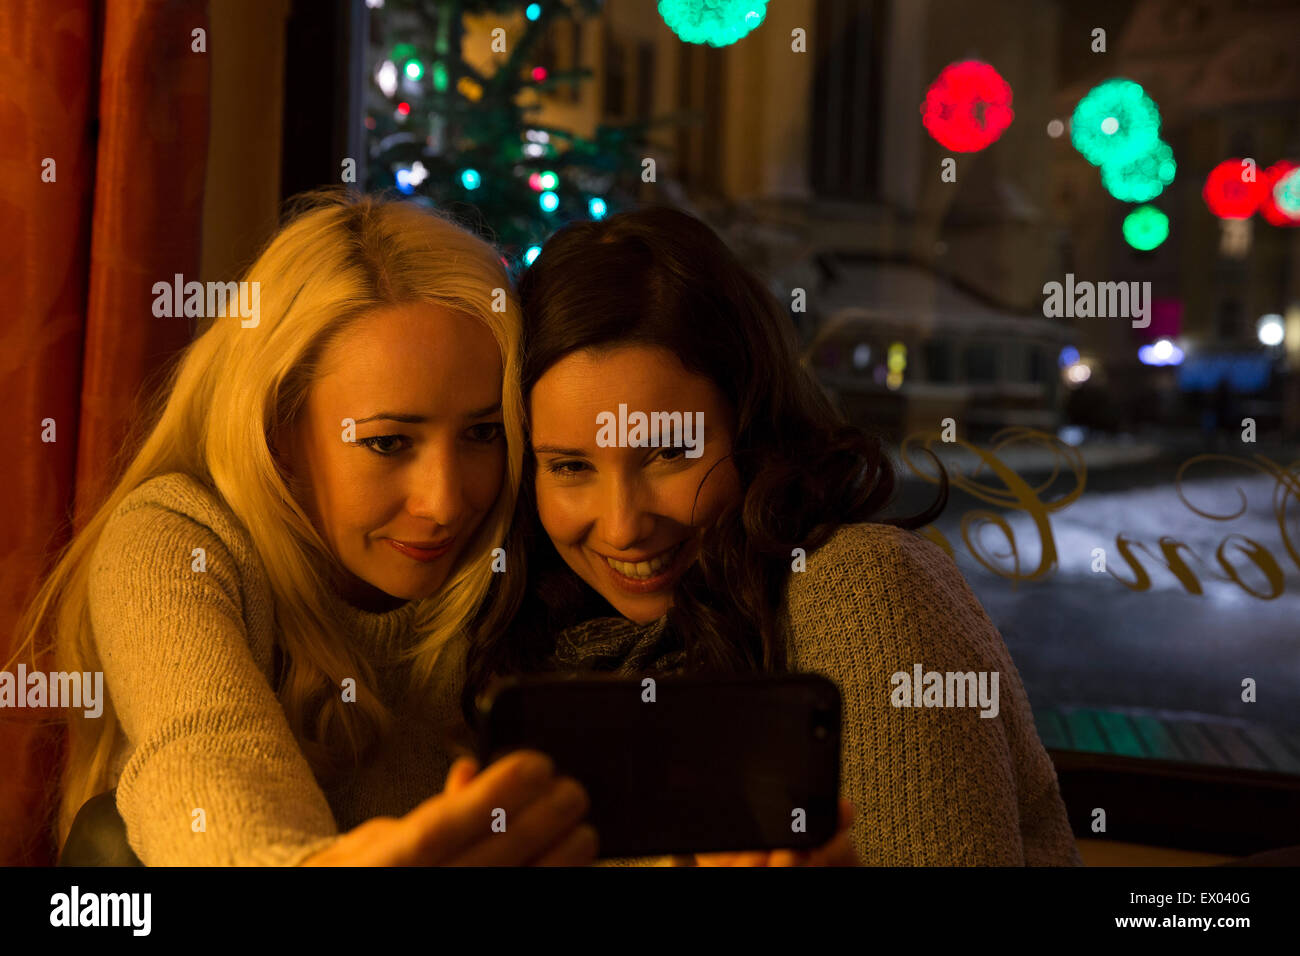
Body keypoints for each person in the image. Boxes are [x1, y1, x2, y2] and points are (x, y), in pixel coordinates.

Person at [464, 205, 1083, 866]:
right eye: (570, 466)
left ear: (751, 427)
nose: (623, 526)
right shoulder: (539, 640)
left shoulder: (862, 593)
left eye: (669, 454)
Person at [6, 191, 595, 866]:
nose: (445, 502)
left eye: (483, 434)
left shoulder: (534, 532)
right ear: (276, 430)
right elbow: (204, 746)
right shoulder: (178, 538)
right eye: (387, 443)